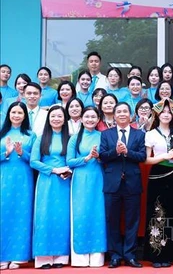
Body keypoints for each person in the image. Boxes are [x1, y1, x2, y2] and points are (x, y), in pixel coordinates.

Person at [99, 102, 147, 268]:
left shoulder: (139, 134)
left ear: (130, 114)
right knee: (112, 220)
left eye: (125, 111)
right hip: (112, 183)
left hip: (132, 183)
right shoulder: (106, 134)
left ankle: (130, 254)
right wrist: (116, 152)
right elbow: (103, 156)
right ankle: (115, 255)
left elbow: (142, 156)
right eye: (118, 111)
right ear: (114, 114)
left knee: (132, 220)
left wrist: (127, 152)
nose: (121, 114)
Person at [30, 105, 72, 269]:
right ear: (48, 119)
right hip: (46, 181)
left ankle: (60, 257)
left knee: (62, 217)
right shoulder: (41, 138)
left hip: (64, 181)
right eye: (53, 116)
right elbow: (33, 161)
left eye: (59, 116)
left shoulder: (70, 138)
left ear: (64, 119)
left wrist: (68, 171)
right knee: (44, 216)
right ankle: (43, 257)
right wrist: (54, 170)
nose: (56, 119)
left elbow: (73, 160)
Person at [143, 99, 173, 268]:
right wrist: (164, 157)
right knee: (157, 213)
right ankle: (155, 254)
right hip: (158, 175)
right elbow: (146, 159)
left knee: (172, 213)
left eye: (169, 112)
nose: (166, 114)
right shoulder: (150, 134)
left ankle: (169, 254)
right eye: (163, 112)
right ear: (157, 114)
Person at [66, 106, 107, 267]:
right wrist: (87, 157)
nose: (90, 119)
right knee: (80, 213)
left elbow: (107, 159)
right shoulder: (75, 138)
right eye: (87, 116)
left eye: (93, 117)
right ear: (81, 119)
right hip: (80, 180)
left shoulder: (103, 136)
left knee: (98, 213)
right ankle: (80, 257)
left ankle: (97, 256)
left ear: (98, 120)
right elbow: (69, 161)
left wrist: (98, 158)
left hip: (98, 178)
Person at [0, 102, 36, 270]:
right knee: (3, 214)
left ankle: (18, 255)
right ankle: (2, 255)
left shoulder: (31, 135)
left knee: (21, 214)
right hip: (4, 178)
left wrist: (22, 153)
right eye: (13, 112)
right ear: (8, 114)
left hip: (23, 179)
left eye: (20, 112)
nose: (16, 115)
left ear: (24, 115)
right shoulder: (2, 133)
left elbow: (35, 160)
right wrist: (6, 153)